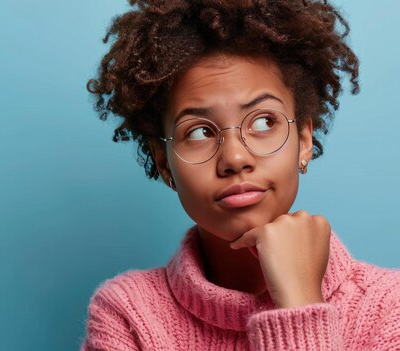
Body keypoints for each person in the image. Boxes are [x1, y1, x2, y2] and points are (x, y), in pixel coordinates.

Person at [79, 1, 400, 350]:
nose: (234, 158)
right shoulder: (127, 314)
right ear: (164, 162)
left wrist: (300, 300)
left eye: (264, 122)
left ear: (304, 140)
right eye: (199, 132)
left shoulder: (390, 308)